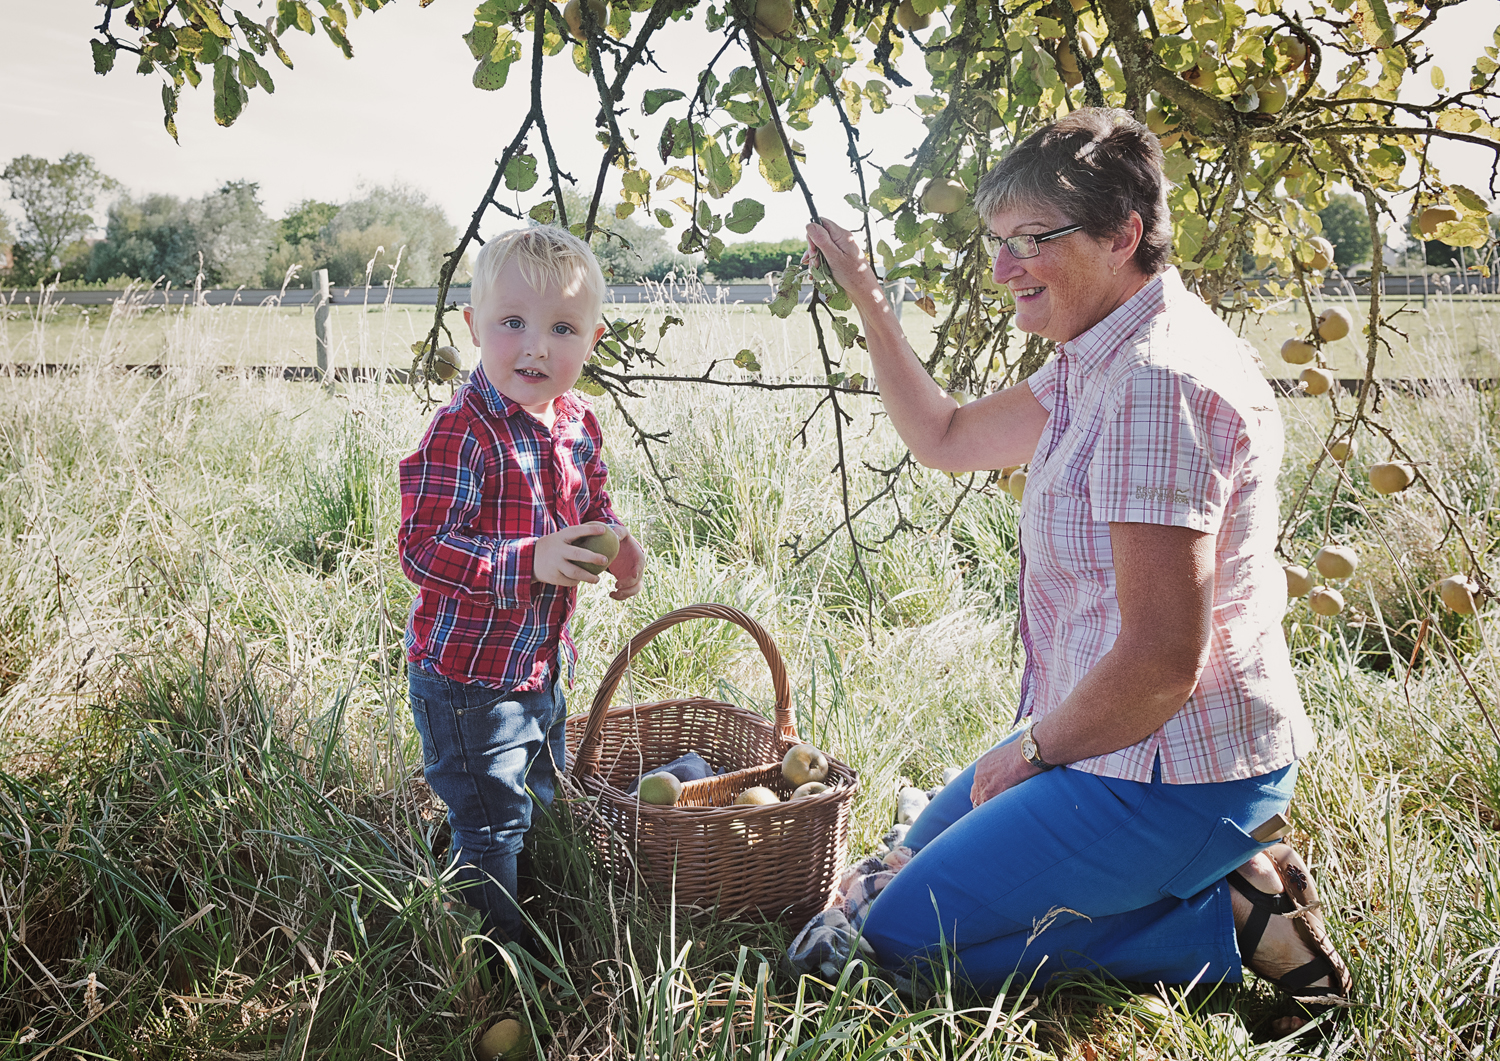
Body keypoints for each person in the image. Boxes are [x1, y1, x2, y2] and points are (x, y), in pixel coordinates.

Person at [803, 108, 1351, 1003]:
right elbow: (943, 435)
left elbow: (1164, 660)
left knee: (894, 949)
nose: (1002, 266)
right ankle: (1209, 883)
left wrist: (1032, 751)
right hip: (1110, 735)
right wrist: (867, 293)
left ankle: (1223, 917)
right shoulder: (1096, 356)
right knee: (901, 866)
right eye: (996, 241)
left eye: (1032, 239)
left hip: (1175, 767)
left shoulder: (1155, 383)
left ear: (1122, 234)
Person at [398, 226, 646, 953]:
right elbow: (423, 547)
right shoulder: (461, 432)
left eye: (561, 328)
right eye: (513, 323)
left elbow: (594, 508)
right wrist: (525, 560)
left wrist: (620, 546)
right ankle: (491, 951)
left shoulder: (575, 423)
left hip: (539, 664)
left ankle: (522, 891)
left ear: (592, 340)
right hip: (467, 680)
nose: (536, 347)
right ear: (474, 326)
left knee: (537, 788)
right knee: (490, 818)